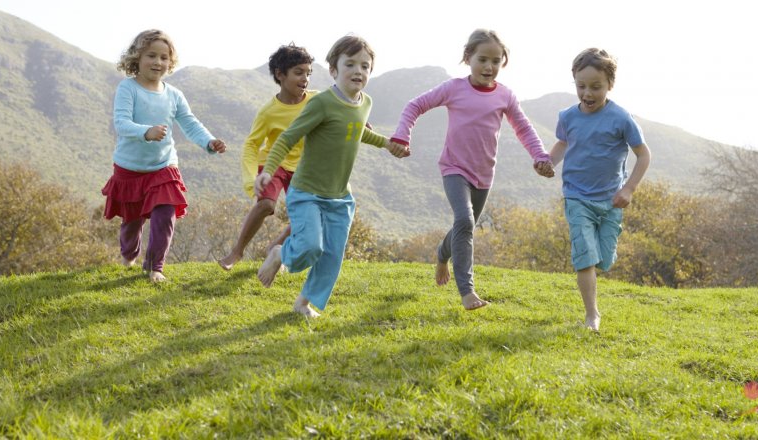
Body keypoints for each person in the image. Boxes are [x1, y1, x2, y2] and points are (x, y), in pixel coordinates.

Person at [390, 29, 554, 311]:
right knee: (465, 222)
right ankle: (467, 292)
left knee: (462, 226)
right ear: (468, 58)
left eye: (496, 61)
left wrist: (540, 155)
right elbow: (415, 105)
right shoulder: (454, 88)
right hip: (454, 169)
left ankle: (442, 254)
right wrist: (402, 136)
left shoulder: (505, 96)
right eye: (482, 59)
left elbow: (524, 128)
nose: (489, 67)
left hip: (484, 175)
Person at [254, 35, 408, 317]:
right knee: (310, 247)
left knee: (332, 255)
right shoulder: (321, 103)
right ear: (334, 70)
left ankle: (304, 302)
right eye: (350, 64)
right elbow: (289, 137)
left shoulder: (365, 103)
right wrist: (270, 170)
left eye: (365, 66)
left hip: (340, 196)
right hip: (307, 192)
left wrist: (387, 144)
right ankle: (280, 254)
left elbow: (356, 129)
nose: (358, 71)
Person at [102, 29, 227, 283]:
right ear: (137, 57)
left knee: (165, 214)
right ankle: (129, 256)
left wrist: (209, 142)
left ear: (170, 62)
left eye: (164, 57)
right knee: (132, 222)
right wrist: (146, 132)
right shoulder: (128, 88)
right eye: (151, 55)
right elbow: (121, 123)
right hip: (130, 168)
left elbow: (190, 124)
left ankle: (154, 267)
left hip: (163, 165)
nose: (158, 62)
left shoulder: (174, 95)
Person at [548, 48, 651, 331]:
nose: (587, 93)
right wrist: (549, 162)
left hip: (611, 200)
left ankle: (597, 267)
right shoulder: (567, 116)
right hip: (576, 196)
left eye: (596, 87)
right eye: (581, 86)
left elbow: (644, 155)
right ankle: (592, 315)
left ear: (610, 85)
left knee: (603, 260)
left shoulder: (621, 118)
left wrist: (629, 189)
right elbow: (562, 144)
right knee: (585, 258)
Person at [218, 43, 318, 271]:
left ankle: (275, 246)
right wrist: (250, 178)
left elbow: (341, 109)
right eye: (298, 73)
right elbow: (252, 144)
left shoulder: (316, 100)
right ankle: (236, 252)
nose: (305, 79)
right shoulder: (268, 111)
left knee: (309, 214)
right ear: (280, 75)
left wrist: (361, 124)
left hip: (303, 168)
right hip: (274, 163)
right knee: (265, 205)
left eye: (308, 73)